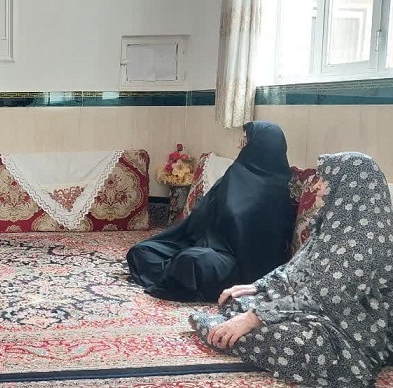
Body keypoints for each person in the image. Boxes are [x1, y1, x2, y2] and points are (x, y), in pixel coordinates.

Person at [189, 152, 393, 387]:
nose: (316, 187)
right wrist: (258, 287)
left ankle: (221, 330)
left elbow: (326, 295)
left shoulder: (368, 239)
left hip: (366, 332)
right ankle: (231, 328)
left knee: (286, 338)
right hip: (328, 311)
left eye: (325, 180)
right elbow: (296, 268)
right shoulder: (334, 226)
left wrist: (254, 318)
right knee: (238, 301)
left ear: (349, 188)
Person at [126, 121, 296, 302]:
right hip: (207, 243)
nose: (240, 146)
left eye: (245, 141)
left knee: (191, 261)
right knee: (141, 251)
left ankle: (178, 272)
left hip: (238, 262)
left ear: (261, 146)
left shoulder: (278, 187)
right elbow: (202, 215)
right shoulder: (235, 173)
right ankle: (176, 272)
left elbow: (266, 243)